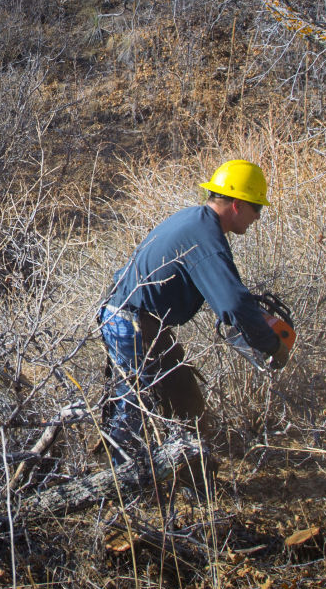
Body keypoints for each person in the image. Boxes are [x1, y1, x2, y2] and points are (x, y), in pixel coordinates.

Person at [97, 159, 293, 464]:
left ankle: (193, 476)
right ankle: (118, 488)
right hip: (132, 322)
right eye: (258, 208)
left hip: (137, 319)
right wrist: (271, 345)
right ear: (239, 204)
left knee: (186, 400)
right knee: (132, 414)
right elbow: (232, 304)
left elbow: (227, 294)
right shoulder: (206, 236)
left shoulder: (197, 222)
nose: (258, 218)